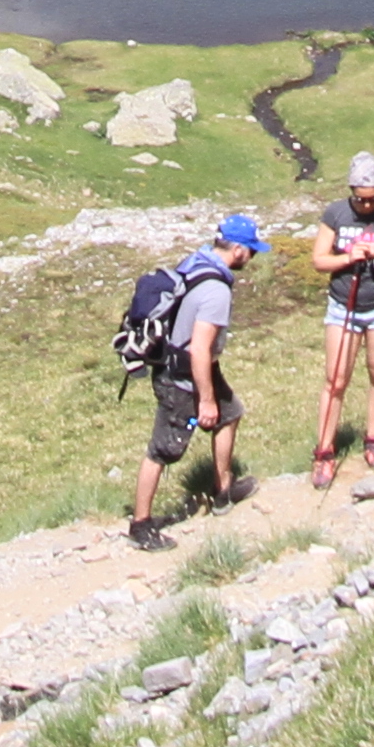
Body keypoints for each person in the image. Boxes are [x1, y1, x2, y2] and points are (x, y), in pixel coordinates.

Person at [127, 212, 251, 548]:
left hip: (191, 369)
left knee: (231, 414)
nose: (251, 257)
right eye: (251, 250)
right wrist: (206, 400)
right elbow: (199, 348)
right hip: (182, 377)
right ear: (238, 249)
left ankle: (222, 491)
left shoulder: (197, 261)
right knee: (164, 449)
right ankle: (140, 526)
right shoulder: (216, 291)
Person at [305, 153, 374, 487]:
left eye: (371, 200)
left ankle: (373, 440)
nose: (366, 206)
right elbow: (318, 260)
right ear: (351, 191)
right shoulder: (335, 214)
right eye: (359, 199)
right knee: (336, 379)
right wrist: (347, 257)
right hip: (344, 307)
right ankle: (324, 453)